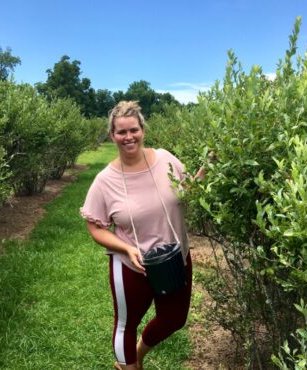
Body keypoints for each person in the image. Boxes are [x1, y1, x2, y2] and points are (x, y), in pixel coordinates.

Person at [80, 101, 204, 370]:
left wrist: (203, 177)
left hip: (175, 257)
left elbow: (184, 191)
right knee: (127, 323)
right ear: (112, 136)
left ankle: (139, 353)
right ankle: (129, 366)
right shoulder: (105, 181)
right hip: (132, 266)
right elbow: (95, 226)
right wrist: (125, 248)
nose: (128, 137)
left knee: (174, 319)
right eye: (121, 132)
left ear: (143, 130)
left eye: (133, 130)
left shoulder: (166, 159)